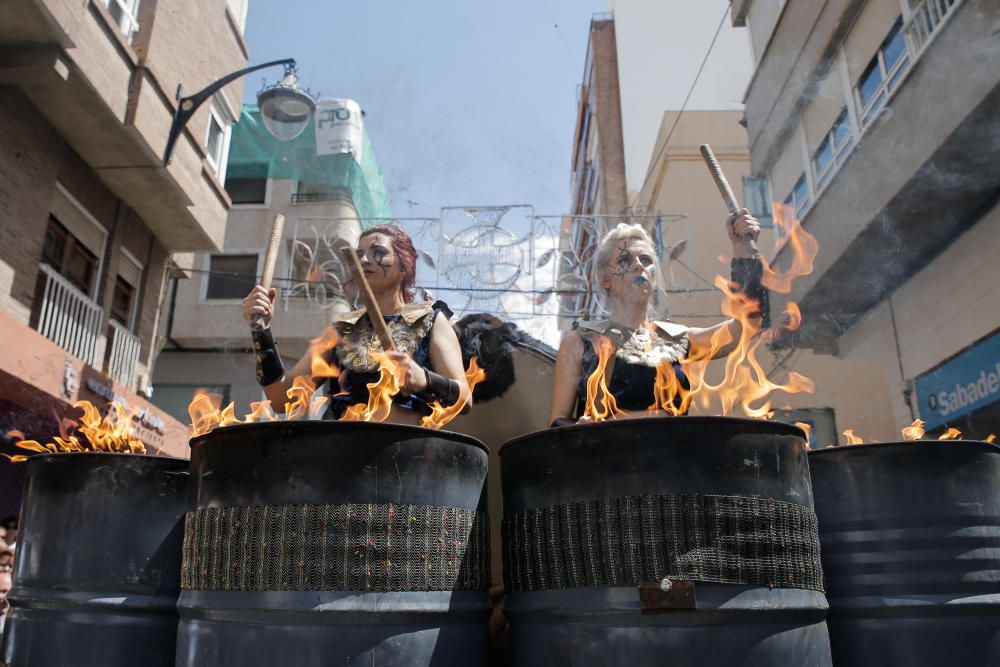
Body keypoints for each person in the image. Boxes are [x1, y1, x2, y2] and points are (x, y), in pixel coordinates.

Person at [548, 209, 766, 425]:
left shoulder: (675, 339)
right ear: (606, 279)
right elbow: (557, 421)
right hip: (607, 457)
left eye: (646, 259)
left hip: (671, 457)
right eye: (625, 260)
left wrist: (744, 251)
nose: (638, 265)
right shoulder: (580, 341)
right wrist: (581, 429)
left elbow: (745, 327)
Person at [242, 224, 470, 426]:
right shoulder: (342, 330)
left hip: (407, 462)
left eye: (378, 252)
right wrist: (260, 331)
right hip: (344, 460)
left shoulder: (430, 319)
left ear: (404, 265)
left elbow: (465, 399)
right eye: (359, 254)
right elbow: (284, 399)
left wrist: (424, 379)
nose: (363, 260)